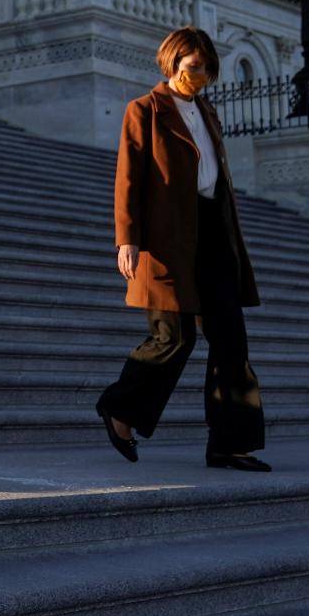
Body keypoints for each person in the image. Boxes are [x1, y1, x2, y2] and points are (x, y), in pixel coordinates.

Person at [96, 26, 269, 471]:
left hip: (212, 229)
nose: (201, 74)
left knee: (230, 336)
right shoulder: (145, 110)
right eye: (194, 67)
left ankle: (230, 444)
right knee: (174, 338)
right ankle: (120, 407)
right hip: (166, 237)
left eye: (207, 67)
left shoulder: (208, 112)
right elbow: (128, 178)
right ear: (173, 64)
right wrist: (127, 239)